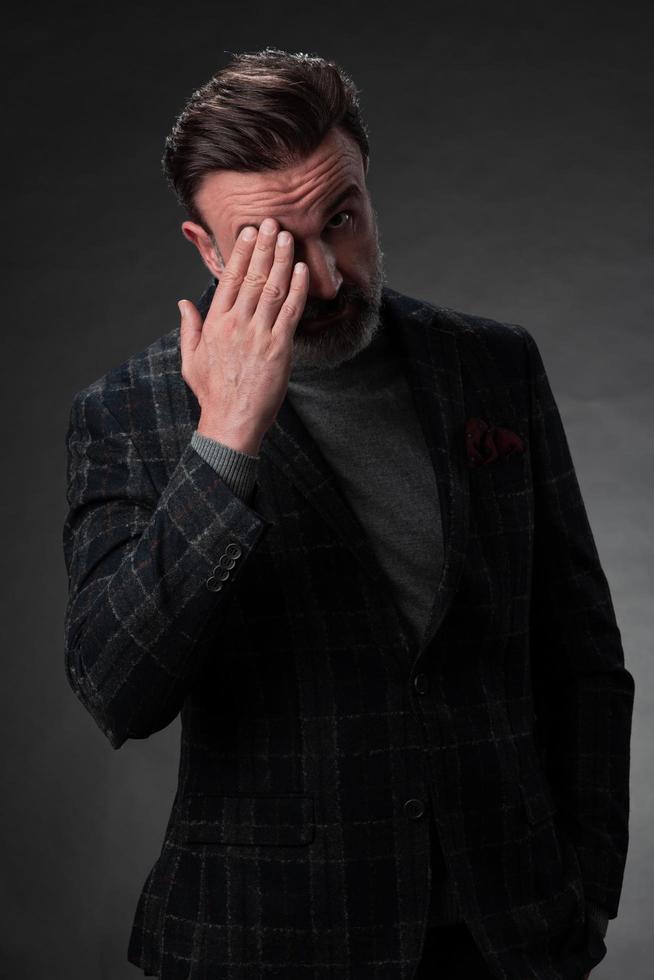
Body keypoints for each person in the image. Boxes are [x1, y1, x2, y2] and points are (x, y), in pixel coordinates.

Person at [62, 47, 634, 979]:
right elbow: (116, 688)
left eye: (343, 219)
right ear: (206, 250)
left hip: (509, 933)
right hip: (268, 940)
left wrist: (588, 893)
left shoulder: (493, 367)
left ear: (367, 183)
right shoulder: (130, 411)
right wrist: (226, 441)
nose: (326, 277)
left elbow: (583, 661)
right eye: (275, 247)